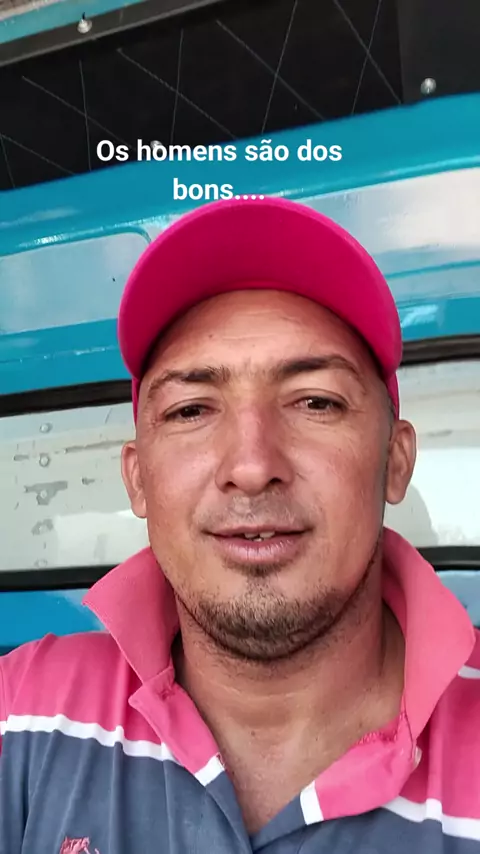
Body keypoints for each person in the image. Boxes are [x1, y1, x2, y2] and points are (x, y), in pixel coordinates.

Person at [0, 197, 479, 854]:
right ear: (137, 479)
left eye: (315, 402)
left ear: (395, 462)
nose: (252, 467)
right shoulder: (22, 710)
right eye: (192, 410)